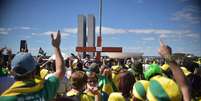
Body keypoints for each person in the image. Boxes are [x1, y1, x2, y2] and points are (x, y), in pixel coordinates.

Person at [0, 30, 65, 101]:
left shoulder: (5, 98)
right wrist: (56, 46)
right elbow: (60, 71)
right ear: (34, 71)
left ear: (12, 72)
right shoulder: (44, 89)